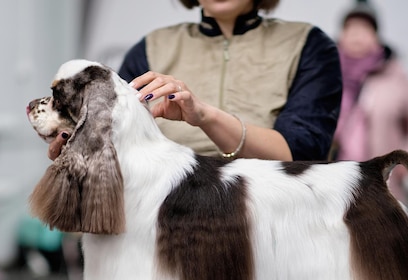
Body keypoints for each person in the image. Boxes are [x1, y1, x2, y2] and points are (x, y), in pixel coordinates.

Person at [48, 0, 342, 162]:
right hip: (164, 218)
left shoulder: (307, 44)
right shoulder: (151, 47)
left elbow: (301, 154)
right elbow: (116, 143)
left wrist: (204, 116)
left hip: (271, 216)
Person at [332, 0, 408, 201]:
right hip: (334, 184)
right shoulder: (325, 73)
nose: (356, 35)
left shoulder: (395, 74)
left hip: (382, 186)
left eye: (364, 28)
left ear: (376, 36)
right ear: (341, 35)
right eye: (351, 28)